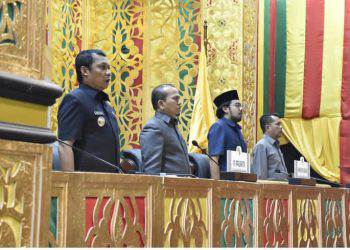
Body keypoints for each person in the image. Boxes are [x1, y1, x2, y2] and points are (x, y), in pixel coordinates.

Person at [57, 49, 120, 172]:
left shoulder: (105, 104)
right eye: (102, 68)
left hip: (108, 183)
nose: (108, 73)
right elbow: (65, 145)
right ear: (85, 71)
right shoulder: (75, 99)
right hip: (86, 184)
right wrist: (70, 186)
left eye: (108, 68)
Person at [140, 84, 191, 175]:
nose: (179, 103)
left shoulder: (171, 125)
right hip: (167, 188)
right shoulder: (154, 127)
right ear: (161, 104)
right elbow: (152, 172)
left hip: (181, 186)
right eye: (175, 99)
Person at [207, 90, 247, 179]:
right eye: (237, 105)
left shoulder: (237, 129)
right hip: (226, 187)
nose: (241, 109)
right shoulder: (219, 127)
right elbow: (214, 160)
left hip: (240, 184)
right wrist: (217, 188)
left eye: (241, 105)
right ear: (225, 109)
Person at [251, 113, 288, 180]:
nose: (281, 127)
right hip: (270, 189)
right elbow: (260, 176)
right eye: (278, 124)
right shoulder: (262, 145)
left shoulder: (275, 145)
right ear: (268, 127)